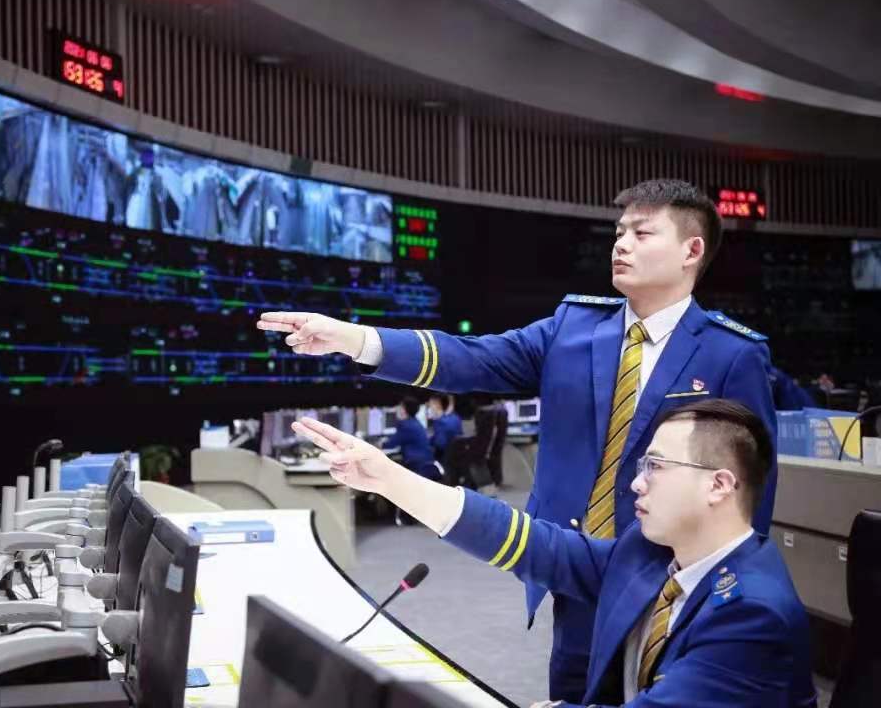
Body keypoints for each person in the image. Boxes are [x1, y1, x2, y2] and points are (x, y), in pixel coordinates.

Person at [257, 179, 779, 702]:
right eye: (619, 232)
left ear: (691, 250)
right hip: (568, 566)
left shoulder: (730, 353)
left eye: (642, 234)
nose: (621, 244)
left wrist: (717, 594)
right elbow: (471, 358)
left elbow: (750, 492)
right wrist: (353, 339)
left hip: (667, 578)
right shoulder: (574, 328)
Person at [292, 399, 817, 708]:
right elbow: (533, 545)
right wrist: (388, 479)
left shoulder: (751, 614)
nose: (637, 483)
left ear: (719, 485)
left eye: (656, 466)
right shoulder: (651, 554)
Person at [383, 396, 438, 482]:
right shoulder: (416, 422)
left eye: (400, 407)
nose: (398, 409)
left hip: (416, 466)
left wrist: (377, 444)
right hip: (426, 465)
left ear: (404, 410)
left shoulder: (405, 425)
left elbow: (390, 444)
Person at [427, 393, 463, 461]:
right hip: (457, 455)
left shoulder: (440, 422)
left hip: (444, 458)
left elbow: (440, 444)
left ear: (437, 405)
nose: (429, 407)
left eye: (431, 404)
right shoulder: (456, 417)